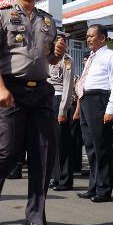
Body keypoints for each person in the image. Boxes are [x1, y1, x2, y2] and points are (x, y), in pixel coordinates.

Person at [0, 0, 66, 225]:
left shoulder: (47, 21)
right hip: (10, 89)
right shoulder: (0, 14)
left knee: (43, 153)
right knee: (8, 149)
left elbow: (49, 59)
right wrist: (0, 88)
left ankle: (35, 217)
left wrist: (57, 54)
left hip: (40, 91)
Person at [75, 24, 113, 203]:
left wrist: (110, 109)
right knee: (91, 146)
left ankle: (103, 189)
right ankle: (93, 186)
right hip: (86, 100)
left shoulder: (111, 56)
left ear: (102, 38)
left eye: (92, 36)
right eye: (87, 36)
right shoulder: (92, 58)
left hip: (100, 100)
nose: (88, 39)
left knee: (102, 147)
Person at [47, 35, 74, 192]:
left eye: (60, 42)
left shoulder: (66, 60)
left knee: (62, 143)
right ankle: (54, 176)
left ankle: (65, 180)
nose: (57, 44)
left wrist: (63, 109)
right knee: (51, 143)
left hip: (58, 101)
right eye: (55, 41)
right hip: (47, 101)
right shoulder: (49, 59)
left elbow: (68, 86)